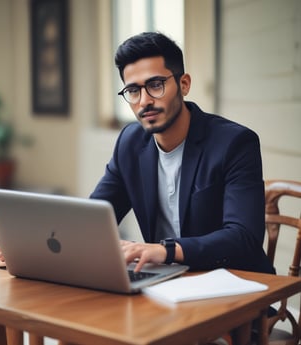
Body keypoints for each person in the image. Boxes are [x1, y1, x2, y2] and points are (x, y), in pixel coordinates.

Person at [90, 31, 275, 275]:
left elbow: (244, 238)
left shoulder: (235, 143)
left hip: (232, 282)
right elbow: (94, 219)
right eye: (133, 90)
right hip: (164, 282)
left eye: (155, 85)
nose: (144, 100)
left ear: (184, 84)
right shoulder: (130, 143)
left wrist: (166, 250)